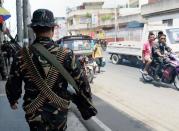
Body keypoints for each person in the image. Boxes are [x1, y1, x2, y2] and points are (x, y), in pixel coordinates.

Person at [5, 9, 92, 131]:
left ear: (34, 30)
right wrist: (87, 101)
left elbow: (13, 81)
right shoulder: (66, 54)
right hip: (59, 110)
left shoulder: (21, 55)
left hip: (33, 111)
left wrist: (13, 99)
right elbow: (82, 81)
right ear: (53, 29)